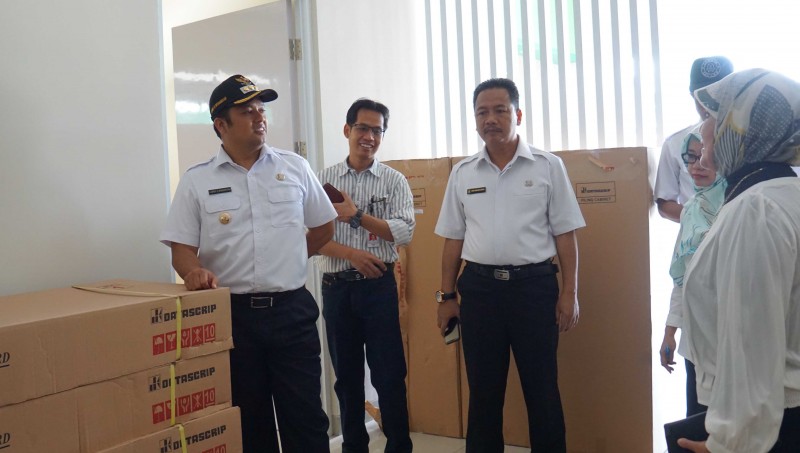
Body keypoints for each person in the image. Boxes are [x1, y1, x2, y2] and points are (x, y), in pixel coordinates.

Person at [160, 74, 336, 453]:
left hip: (291, 312)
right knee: (248, 423)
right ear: (220, 125)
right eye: (246, 111)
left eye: (261, 109)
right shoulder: (197, 180)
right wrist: (193, 271)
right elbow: (181, 248)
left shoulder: (295, 167)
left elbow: (324, 226)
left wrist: (291, 257)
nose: (259, 117)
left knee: (305, 420)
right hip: (232, 317)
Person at [434, 78, 585, 452]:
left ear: (517, 115)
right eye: (482, 112)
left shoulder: (548, 166)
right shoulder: (463, 173)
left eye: (500, 110)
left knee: (542, 390)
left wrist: (569, 293)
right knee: (483, 394)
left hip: (534, 290)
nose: (490, 119)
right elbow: (453, 239)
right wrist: (446, 297)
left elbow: (565, 234)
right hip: (480, 292)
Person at [676, 69, 800, 453]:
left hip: (767, 426)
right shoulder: (784, 192)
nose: (705, 128)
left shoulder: (755, 209)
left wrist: (730, 442)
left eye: (715, 118)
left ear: (741, 129)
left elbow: (751, 340)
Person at [314, 98, 415, 453]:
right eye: (362, 128)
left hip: (378, 288)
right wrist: (352, 255)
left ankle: (399, 446)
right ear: (347, 130)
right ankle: (353, 446)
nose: (369, 137)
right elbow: (311, 237)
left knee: (389, 375)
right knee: (347, 379)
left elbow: (404, 232)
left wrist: (357, 216)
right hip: (337, 289)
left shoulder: (394, 180)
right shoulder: (322, 179)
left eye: (377, 130)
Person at [659, 124, 727, 417]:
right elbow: (682, 278)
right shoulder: (690, 210)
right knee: (698, 418)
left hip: (733, 333)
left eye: (705, 156)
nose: (696, 166)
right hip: (696, 336)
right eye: (690, 157)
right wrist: (669, 332)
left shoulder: (740, 205)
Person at [655, 56, 733, 222]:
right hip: (695, 236)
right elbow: (664, 203)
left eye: (718, 95)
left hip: (742, 229)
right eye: (703, 96)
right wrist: (702, 219)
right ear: (692, 96)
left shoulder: (750, 142)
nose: (710, 103)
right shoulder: (675, 143)